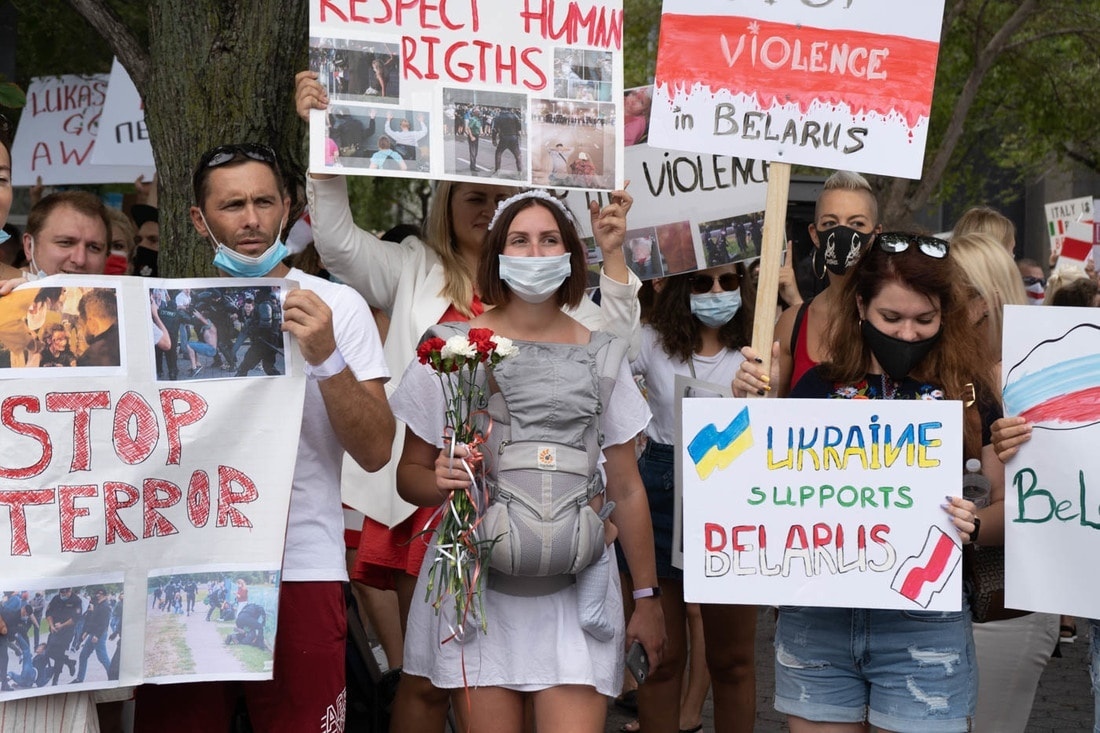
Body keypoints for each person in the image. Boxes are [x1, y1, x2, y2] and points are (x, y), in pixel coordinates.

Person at [296, 68, 642, 731]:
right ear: (446, 205)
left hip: (542, 506)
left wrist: (614, 260)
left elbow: (612, 351)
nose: (487, 211)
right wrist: (324, 137)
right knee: (428, 681)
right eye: (473, 198)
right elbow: (336, 240)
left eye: (500, 198)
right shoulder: (411, 270)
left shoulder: (555, 295)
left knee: (498, 675)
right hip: (430, 494)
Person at [132, 142, 394, 733]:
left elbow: (377, 451)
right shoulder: (161, 310)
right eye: (231, 205)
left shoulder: (336, 306)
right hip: (182, 567)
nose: (250, 220)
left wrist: (326, 358)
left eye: (263, 201)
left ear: (288, 207)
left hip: (300, 567)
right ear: (199, 219)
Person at [391, 190, 666, 732]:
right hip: (481, 594)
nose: (535, 253)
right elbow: (409, 475)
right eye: (520, 240)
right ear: (497, 253)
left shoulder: (603, 353)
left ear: (569, 255)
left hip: (578, 592)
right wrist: (438, 481)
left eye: (549, 240)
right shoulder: (451, 348)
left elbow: (629, 489)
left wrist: (647, 598)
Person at [767, 233, 996, 733]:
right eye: (891, 319)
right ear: (860, 307)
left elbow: (1006, 511)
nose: (909, 334)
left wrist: (975, 522)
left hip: (924, 624)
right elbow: (767, 495)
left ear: (946, 316)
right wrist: (749, 410)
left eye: (925, 319)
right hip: (818, 619)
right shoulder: (814, 390)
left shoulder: (970, 397)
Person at [618, 264, 758, 732]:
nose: (717, 292)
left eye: (729, 282)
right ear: (681, 286)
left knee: (733, 659)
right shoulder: (652, 340)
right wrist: (616, 261)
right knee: (660, 657)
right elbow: (609, 353)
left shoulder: (758, 344)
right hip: (660, 488)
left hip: (733, 491)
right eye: (702, 282)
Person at [949, 232, 1057, 732]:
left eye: (945, 290)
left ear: (981, 301)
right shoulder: (948, 375)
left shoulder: (1028, 381)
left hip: (1004, 606)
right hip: (948, 606)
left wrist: (952, 522)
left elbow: (1032, 510)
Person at [734, 171, 881, 399]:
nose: (842, 233)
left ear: (875, 234)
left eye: (857, 223)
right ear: (814, 234)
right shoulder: (791, 324)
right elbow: (767, 413)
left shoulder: (901, 319)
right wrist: (752, 389)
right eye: (830, 223)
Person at [72, 588, 112, 684]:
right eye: (98, 593)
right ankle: (79, 679)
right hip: (93, 634)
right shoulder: (98, 605)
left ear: (105, 596)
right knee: (83, 656)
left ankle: (114, 676)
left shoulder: (105, 607)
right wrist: (87, 632)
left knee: (102, 657)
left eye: (101, 594)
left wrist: (97, 636)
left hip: (99, 635)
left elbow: (104, 624)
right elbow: (93, 621)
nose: (98, 595)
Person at [76, 289, 120, 367]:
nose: (81, 332)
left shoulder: (87, 359)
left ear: (93, 324)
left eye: (81, 326)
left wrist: (88, 352)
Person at [492, 107, 523, 175]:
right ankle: (520, 171)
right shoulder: (514, 116)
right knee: (518, 155)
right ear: (510, 109)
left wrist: (494, 139)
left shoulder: (498, 117)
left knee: (498, 153)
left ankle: (497, 171)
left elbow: (495, 129)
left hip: (504, 137)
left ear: (501, 109)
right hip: (514, 137)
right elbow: (520, 127)